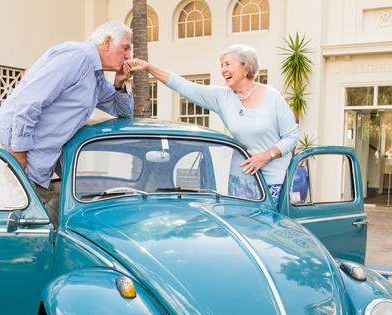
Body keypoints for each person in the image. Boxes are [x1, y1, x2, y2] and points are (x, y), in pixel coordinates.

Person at [0, 21, 135, 210]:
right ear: (107, 42)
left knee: (31, 229)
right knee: (12, 229)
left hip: (35, 161)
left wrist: (119, 83)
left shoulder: (97, 77)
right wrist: (19, 152)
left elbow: (124, 112)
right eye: (125, 48)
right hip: (11, 150)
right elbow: (31, 100)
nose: (129, 56)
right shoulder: (77, 57)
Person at [127, 44, 298, 204]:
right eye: (221, 65)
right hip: (241, 179)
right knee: (243, 229)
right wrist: (149, 68)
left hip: (273, 180)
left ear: (245, 66)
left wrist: (266, 156)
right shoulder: (221, 97)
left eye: (227, 64)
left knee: (267, 230)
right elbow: (183, 85)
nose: (223, 70)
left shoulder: (272, 97)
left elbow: (291, 137)